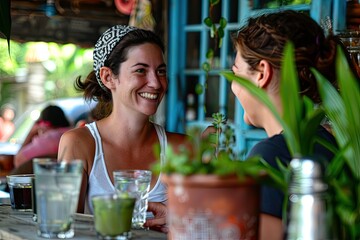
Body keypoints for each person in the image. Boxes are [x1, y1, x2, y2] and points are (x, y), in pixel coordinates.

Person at [230, 10, 351, 240]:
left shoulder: (271, 155)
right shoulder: (332, 142)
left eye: (236, 74)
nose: (233, 86)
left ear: (262, 74)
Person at [57, 25, 187, 232]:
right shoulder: (80, 144)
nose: (156, 83)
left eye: (160, 71)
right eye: (141, 71)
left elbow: (206, 226)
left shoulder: (181, 147)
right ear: (109, 77)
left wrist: (181, 221)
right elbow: (63, 227)